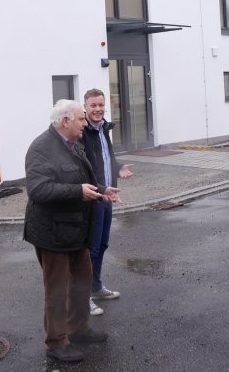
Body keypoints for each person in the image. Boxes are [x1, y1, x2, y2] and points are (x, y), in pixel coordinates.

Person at [23, 99, 122, 363]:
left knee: (81, 282)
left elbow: (85, 179)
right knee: (57, 290)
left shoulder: (74, 145)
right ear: (65, 121)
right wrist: (78, 192)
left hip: (77, 232)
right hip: (52, 233)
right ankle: (56, 342)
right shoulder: (40, 148)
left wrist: (101, 191)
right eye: (81, 119)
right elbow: (38, 190)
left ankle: (78, 329)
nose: (85, 123)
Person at [80, 88, 133, 316]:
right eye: (93, 105)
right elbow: (83, 166)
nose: (98, 109)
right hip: (93, 197)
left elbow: (106, 158)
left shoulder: (103, 129)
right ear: (85, 107)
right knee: (90, 249)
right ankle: (83, 297)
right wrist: (98, 190)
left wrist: (118, 167)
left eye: (101, 105)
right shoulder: (82, 132)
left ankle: (96, 287)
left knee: (102, 245)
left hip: (107, 195)